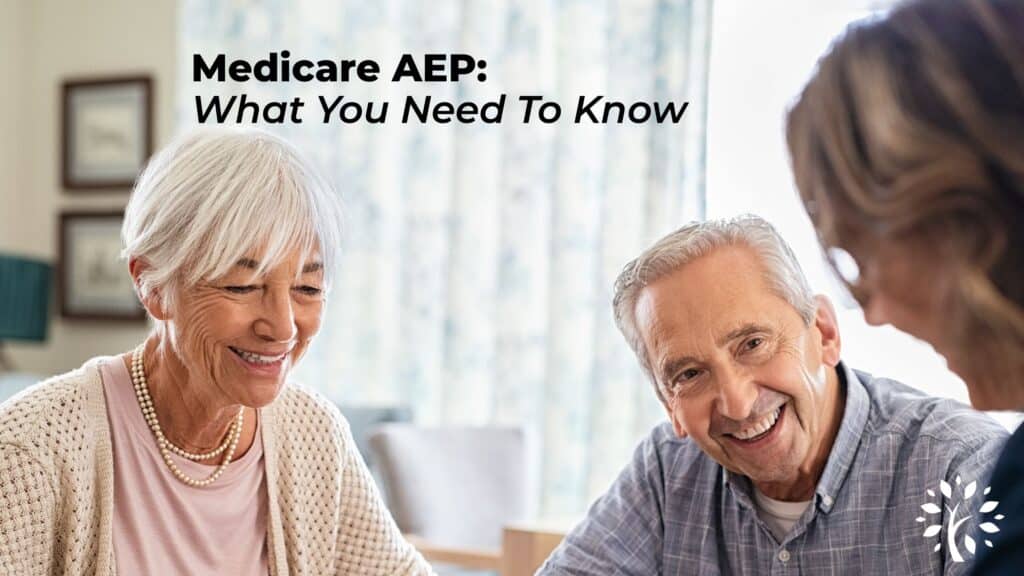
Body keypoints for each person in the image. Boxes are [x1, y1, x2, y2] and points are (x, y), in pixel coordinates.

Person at [0, 128, 434, 575]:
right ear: (152, 285)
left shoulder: (313, 434)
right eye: (242, 286)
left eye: (307, 288)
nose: (283, 327)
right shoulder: (31, 449)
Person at [537, 216, 1007, 575]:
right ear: (668, 404)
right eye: (691, 374)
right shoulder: (666, 470)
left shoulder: (964, 466)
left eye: (753, 344)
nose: (738, 404)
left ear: (824, 333)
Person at [785, 0, 1023, 573]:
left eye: (861, 251)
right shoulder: (666, 465)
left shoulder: (964, 456)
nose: (877, 311)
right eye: (685, 373)